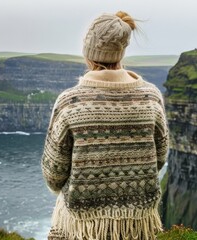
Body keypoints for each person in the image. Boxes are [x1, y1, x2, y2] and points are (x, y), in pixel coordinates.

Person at [41, 11, 169, 240]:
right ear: (121, 51)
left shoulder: (70, 102)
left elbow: (54, 174)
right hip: (137, 225)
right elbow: (159, 158)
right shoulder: (151, 97)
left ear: (89, 53)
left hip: (83, 227)